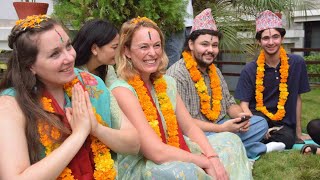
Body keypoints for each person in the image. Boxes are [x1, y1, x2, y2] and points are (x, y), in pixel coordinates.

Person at [110, 16, 253, 180]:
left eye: (157, 46)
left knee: (231, 141)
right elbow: (155, 152)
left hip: (175, 147)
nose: (152, 53)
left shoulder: (167, 83)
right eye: (144, 47)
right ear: (127, 51)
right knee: (181, 171)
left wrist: (213, 158)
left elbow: (190, 128)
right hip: (145, 164)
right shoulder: (122, 91)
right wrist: (203, 161)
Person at [0, 15, 139, 179]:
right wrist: (79, 135)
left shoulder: (91, 84)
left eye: (68, 46)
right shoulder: (11, 105)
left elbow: (134, 143)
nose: (69, 57)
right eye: (54, 54)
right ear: (30, 65)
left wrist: (96, 129)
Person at [167, 8, 281, 160]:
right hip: (195, 133)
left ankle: (229, 146)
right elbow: (183, 124)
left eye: (214, 45)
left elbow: (229, 103)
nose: (210, 50)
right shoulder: (177, 74)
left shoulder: (215, 71)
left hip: (221, 126)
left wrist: (240, 117)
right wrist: (221, 129)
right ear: (191, 44)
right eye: (205, 44)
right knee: (202, 142)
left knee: (260, 123)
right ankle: (257, 149)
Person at [235, 10, 311, 149]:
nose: (271, 42)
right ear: (259, 41)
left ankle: (261, 140)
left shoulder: (296, 63)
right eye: (265, 38)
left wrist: (298, 132)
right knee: (260, 128)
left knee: (289, 138)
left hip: (284, 123)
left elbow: (297, 98)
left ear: (282, 38)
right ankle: (262, 134)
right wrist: (255, 125)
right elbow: (243, 104)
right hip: (258, 116)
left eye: (275, 37)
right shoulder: (250, 69)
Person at [73, 19, 119, 87]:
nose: (118, 51)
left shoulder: (107, 69)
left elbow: (115, 92)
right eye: (114, 47)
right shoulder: (74, 74)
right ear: (94, 49)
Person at [165, 0, 193, 67]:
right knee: (173, 59)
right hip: (174, 23)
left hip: (189, 23)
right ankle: (171, 77)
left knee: (189, 60)